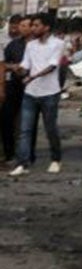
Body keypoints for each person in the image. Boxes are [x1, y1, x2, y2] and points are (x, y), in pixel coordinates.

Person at [12, 12, 66, 175]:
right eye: (32, 25)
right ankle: (23, 163)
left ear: (46, 27)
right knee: (25, 129)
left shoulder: (58, 44)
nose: (32, 28)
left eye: (36, 25)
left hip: (50, 92)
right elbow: (26, 64)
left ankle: (56, 160)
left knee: (50, 128)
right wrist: (20, 70)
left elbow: (52, 66)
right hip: (30, 93)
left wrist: (31, 77)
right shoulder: (31, 45)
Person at [1, 16, 26, 171]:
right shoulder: (7, 42)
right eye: (14, 25)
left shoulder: (27, 44)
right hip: (8, 84)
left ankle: (17, 154)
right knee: (6, 121)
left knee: (20, 123)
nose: (15, 28)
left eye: (20, 25)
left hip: (20, 86)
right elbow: (3, 65)